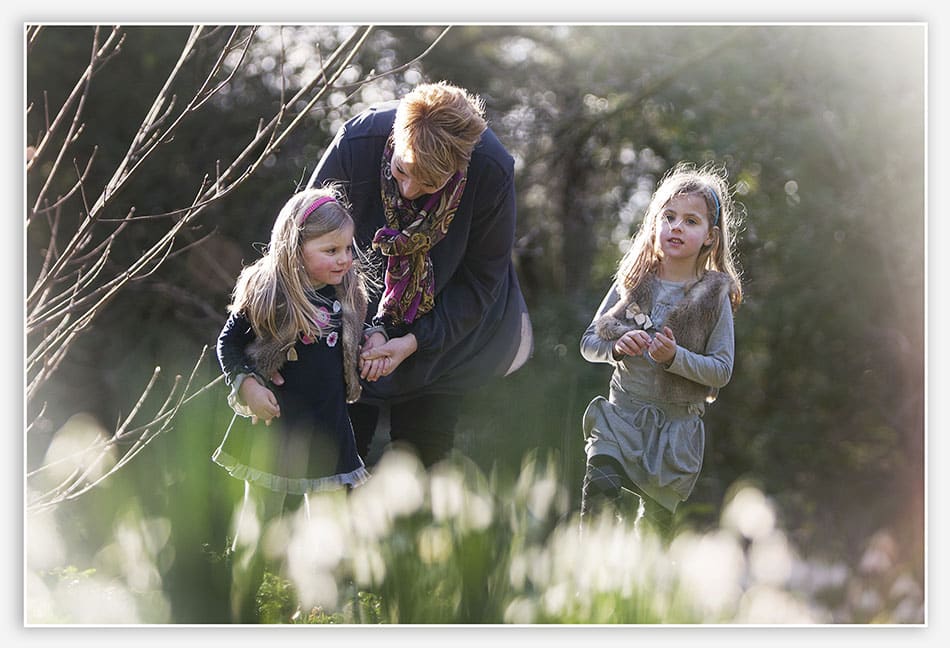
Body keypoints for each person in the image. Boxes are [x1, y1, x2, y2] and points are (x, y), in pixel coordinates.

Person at [262, 81, 532, 467]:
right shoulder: (358, 142)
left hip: (443, 333)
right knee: (334, 465)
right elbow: (299, 247)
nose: (407, 190)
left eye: (428, 183)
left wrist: (411, 341)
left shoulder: (491, 170)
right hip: (346, 325)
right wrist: (284, 340)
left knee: (423, 465)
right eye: (402, 170)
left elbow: (480, 284)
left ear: (460, 166)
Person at [212, 185, 379, 622]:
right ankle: (242, 606)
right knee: (263, 522)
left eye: (347, 248)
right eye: (330, 250)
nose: (344, 259)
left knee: (330, 525)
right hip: (277, 427)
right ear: (295, 247)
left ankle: (325, 609)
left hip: (328, 426)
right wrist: (246, 384)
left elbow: (358, 333)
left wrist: (372, 344)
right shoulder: (271, 293)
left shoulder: (346, 294)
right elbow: (229, 342)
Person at [579, 162, 742, 539]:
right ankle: (587, 583)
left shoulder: (714, 296)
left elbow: (721, 369)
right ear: (654, 223)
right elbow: (589, 343)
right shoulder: (633, 283)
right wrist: (617, 347)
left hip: (675, 435)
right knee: (597, 506)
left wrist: (674, 358)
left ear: (710, 237)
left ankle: (637, 593)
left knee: (652, 538)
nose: (676, 227)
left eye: (690, 221)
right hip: (621, 420)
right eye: (668, 217)